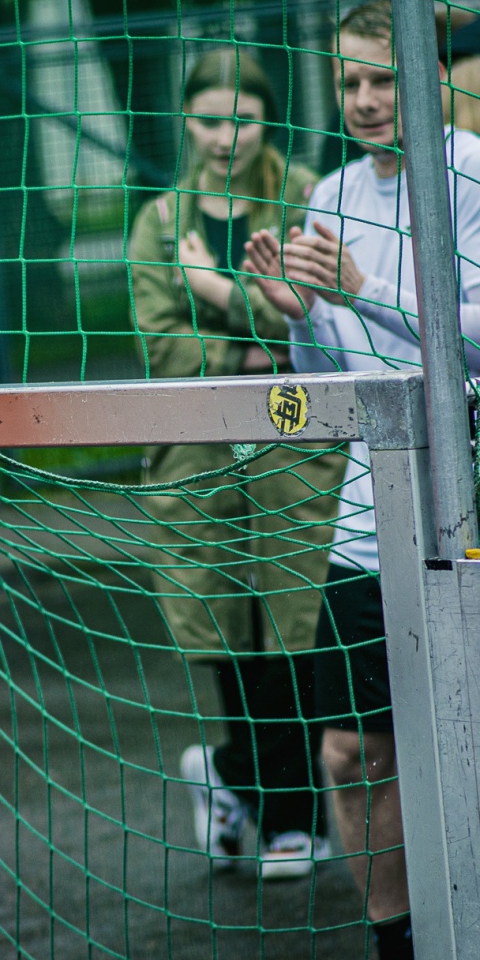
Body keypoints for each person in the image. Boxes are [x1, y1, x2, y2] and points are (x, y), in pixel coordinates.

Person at [242, 0, 480, 960]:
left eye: (383, 77)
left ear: (423, 74)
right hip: (374, 510)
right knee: (350, 749)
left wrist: (363, 288)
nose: (366, 100)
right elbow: (337, 379)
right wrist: (292, 314)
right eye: (350, 81)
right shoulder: (329, 193)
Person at [130, 48, 346, 879]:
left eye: (242, 120)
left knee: (295, 621)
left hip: (294, 438)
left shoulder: (307, 196)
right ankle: (245, 780)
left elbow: (314, 318)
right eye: (209, 120)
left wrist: (214, 289)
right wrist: (254, 347)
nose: (225, 138)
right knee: (223, 624)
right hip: (199, 444)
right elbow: (161, 342)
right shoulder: (159, 220)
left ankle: (286, 814)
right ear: (186, 121)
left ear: (268, 119)